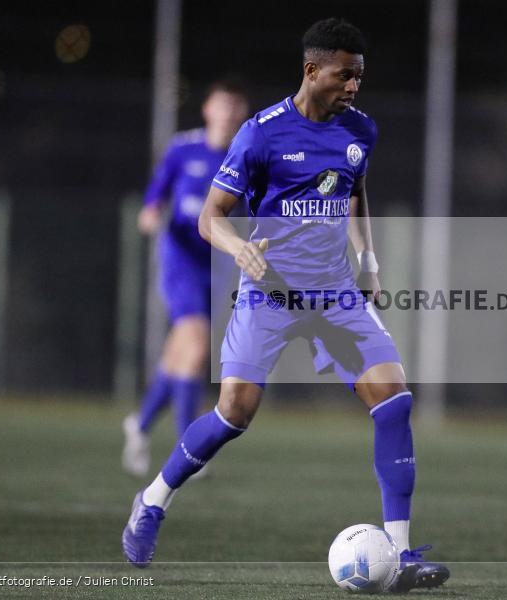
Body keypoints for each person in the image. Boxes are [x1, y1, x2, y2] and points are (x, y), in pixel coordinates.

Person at [121, 18, 449, 592]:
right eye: (345, 75)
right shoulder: (260, 134)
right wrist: (240, 249)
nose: (353, 86)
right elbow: (210, 218)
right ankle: (152, 501)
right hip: (269, 292)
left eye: (359, 76)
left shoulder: (361, 129)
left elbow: (354, 190)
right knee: (234, 413)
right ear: (312, 70)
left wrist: (368, 260)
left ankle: (399, 555)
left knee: (394, 400)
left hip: (336, 293)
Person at [121, 80, 249, 477]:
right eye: (221, 105)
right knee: (195, 349)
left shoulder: (246, 155)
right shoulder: (183, 148)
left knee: (178, 356)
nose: (227, 114)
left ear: (242, 113)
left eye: (234, 107)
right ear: (208, 109)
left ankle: (140, 425)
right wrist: (150, 210)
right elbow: (157, 191)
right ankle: (189, 446)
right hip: (180, 261)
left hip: (218, 263)